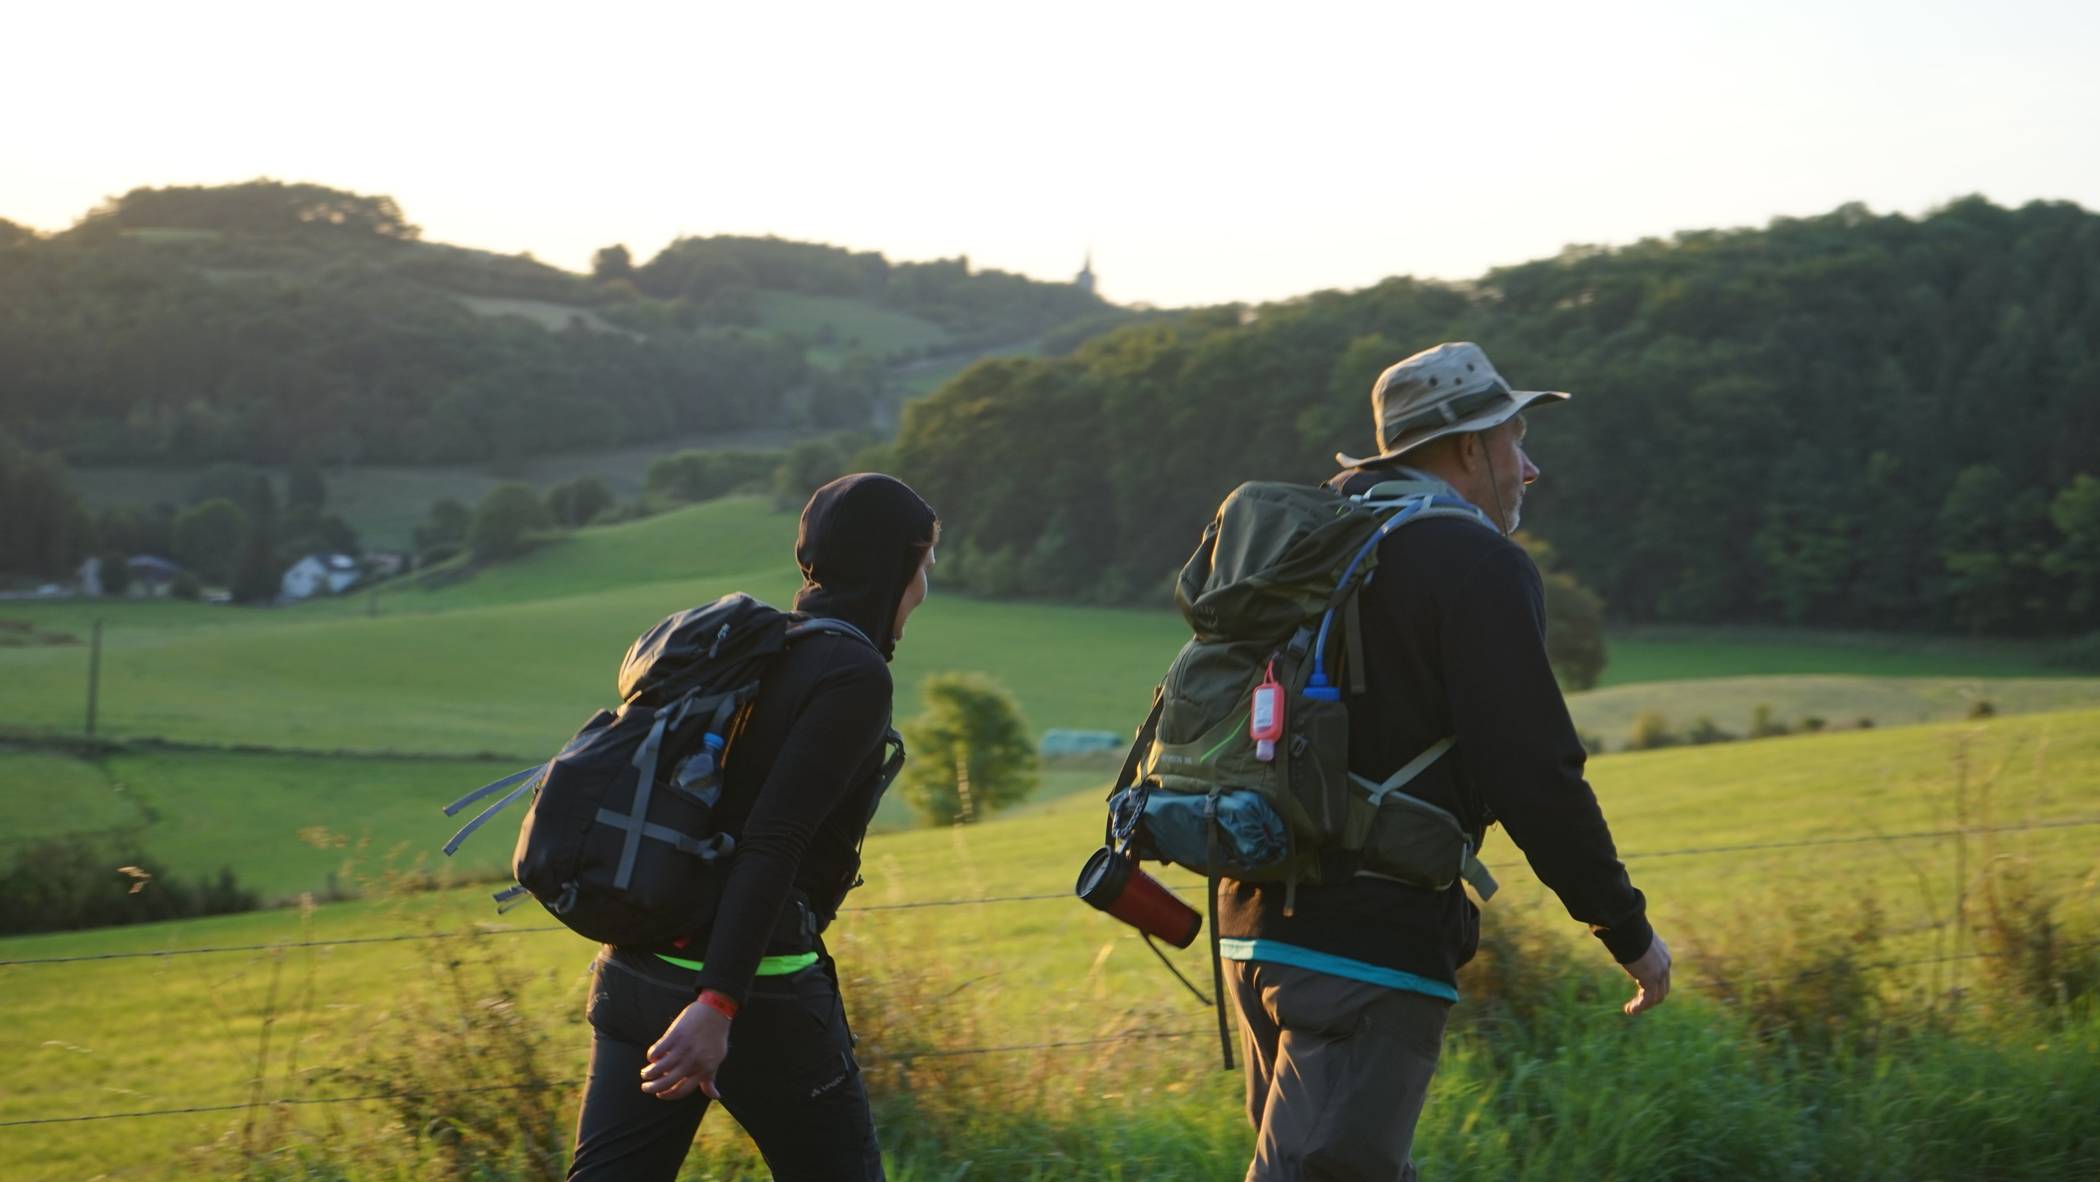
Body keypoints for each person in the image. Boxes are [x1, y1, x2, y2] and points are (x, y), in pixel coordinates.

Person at [1216, 342, 1672, 1182]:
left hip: (1254, 926)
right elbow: (1534, 773)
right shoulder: (1476, 564)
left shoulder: (1318, 539)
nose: (1528, 467)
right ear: (1470, 448)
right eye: (1516, 439)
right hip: (1366, 946)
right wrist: (1626, 929)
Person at [567, 472, 939, 1182]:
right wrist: (718, 1002)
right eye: (923, 562)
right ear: (893, 564)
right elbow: (774, 842)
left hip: (638, 968)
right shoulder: (853, 675)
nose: (925, 585)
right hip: (758, 991)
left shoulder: (761, 649)